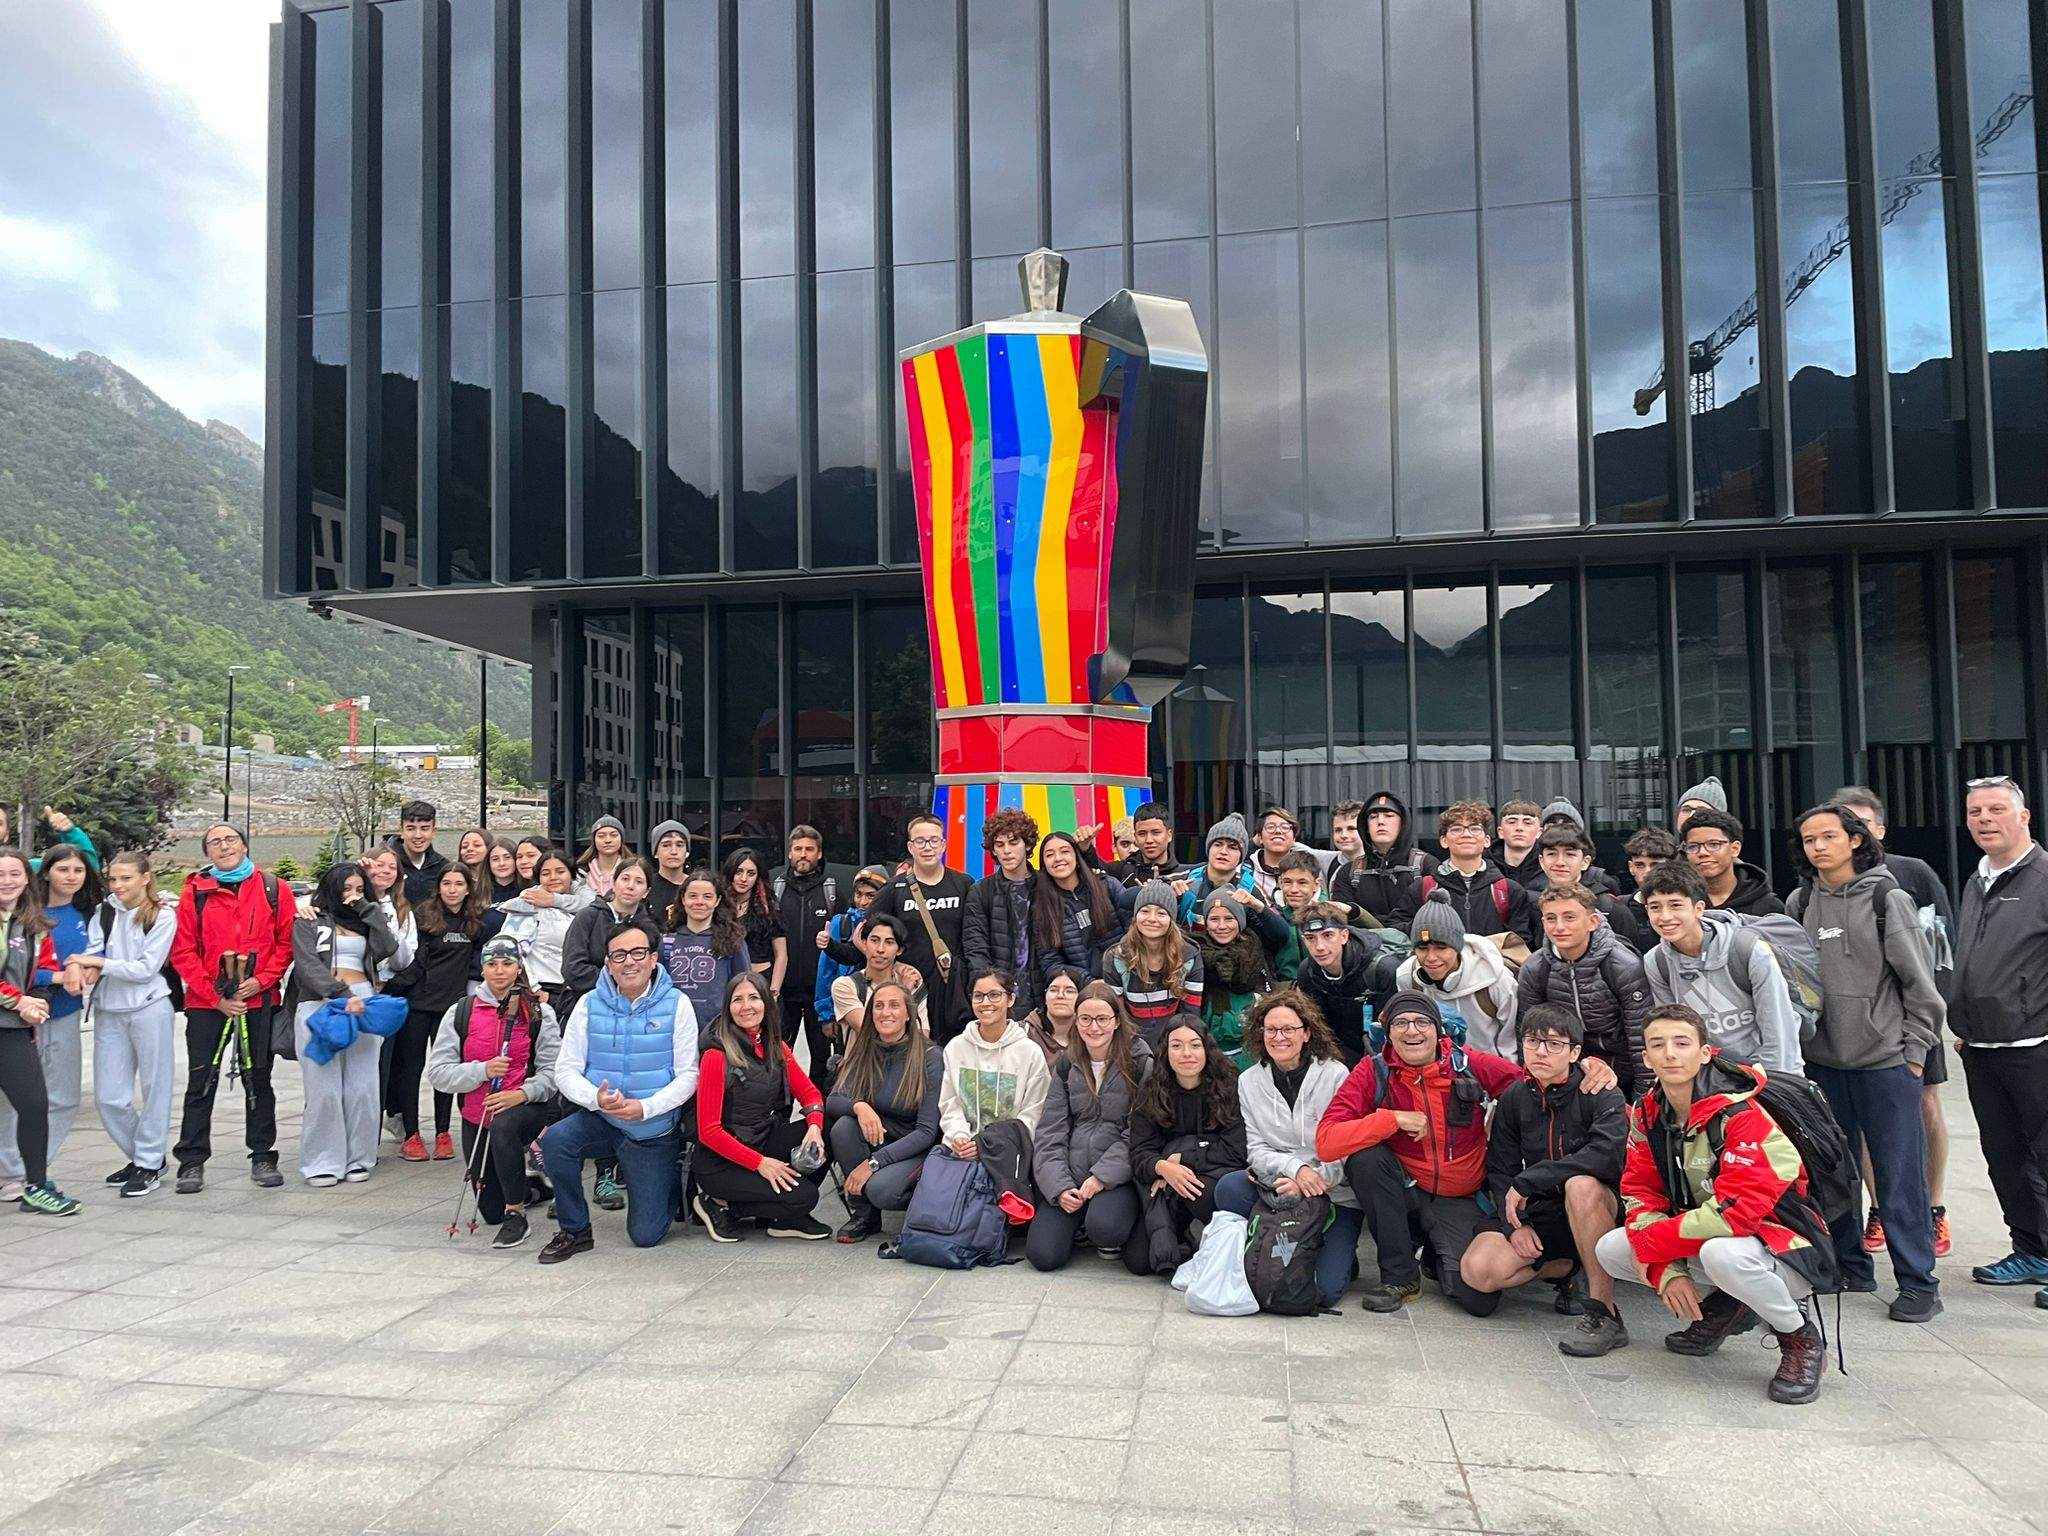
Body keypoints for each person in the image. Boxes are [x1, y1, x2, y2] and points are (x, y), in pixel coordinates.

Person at [1597, 1003, 1833, 1404]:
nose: (1670, 1053)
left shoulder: (1742, 1113)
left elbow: (1737, 1213)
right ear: (1646, 1057)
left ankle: (1800, 1337)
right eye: (1658, 1044)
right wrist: (1666, 1271)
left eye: (1682, 1043)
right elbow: (1639, 1191)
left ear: (1704, 1053)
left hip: (1787, 1249)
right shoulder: (1648, 1113)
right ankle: (1729, 1305)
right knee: (1611, 1249)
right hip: (1705, 1236)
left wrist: (1654, 1247)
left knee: (1723, 1254)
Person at [1784, 801, 1943, 1322]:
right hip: (1823, 1064)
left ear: (1854, 839)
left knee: (1899, 1178)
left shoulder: (1884, 895)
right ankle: (1850, 1267)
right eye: (1810, 839)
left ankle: (1919, 1282)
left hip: (1885, 1063)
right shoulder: (1800, 901)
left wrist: (1914, 1055)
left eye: (1828, 836)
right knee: (1834, 1173)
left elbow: (1922, 987)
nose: (1819, 847)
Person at [1314, 991, 1526, 1315]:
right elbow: (1327, 1142)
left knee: (1478, 1299)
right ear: (1388, 1033)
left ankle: (1434, 1257)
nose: (1411, 1031)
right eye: (1400, 1023)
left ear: (1438, 1030)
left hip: (1461, 1198)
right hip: (1406, 1194)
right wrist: (1391, 1120)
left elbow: (1536, 1086)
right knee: (1365, 1160)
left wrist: (1592, 1073)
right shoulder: (1374, 1071)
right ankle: (1400, 1277)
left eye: (1422, 1022)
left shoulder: (1469, 1065)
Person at [1460, 1004, 1629, 1353]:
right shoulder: (1515, 1097)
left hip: (1598, 1207)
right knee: (1479, 1272)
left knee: (1580, 1185)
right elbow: (1501, 1168)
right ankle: (1563, 1268)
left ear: (1575, 1052)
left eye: (1554, 1044)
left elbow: (1606, 1155)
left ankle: (1605, 1313)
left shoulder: (1600, 1091)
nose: (1541, 1051)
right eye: (1534, 1041)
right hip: (1540, 1209)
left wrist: (1533, 1178)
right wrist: (1515, 1226)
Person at [1832, 784, 1955, 1258]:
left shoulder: (1910, 874)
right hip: (1857, 1035)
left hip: (1912, 1022)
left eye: (1862, 824)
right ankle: (1881, 1210)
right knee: (1862, 1127)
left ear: (1877, 830)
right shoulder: (1820, 889)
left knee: (1926, 1110)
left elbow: (1944, 943)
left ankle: (1934, 1210)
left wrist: (1930, 1026)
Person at [540, 915, 700, 1261]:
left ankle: (668, 1181)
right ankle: (574, 1229)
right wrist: (593, 1098)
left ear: (653, 958)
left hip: (652, 1129)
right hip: (603, 1118)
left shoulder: (677, 1004)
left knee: (646, 1235)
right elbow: (565, 1070)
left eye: (638, 952)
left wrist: (646, 1108)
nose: (629, 961)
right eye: (619, 955)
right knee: (556, 1140)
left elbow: (689, 1075)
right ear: (608, 964)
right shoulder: (587, 1005)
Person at [1947, 776, 2048, 1293]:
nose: (1984, 819)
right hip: (1982, 1047)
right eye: (1974, 812)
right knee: (2004, 1156)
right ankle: (2030, 1251)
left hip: (2035, 1046)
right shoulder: (1978, 879)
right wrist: (1963, 1022)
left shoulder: (2043, 876)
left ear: (2024, 817)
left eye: (1995, 810)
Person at [1213, 989, 1365, 1309]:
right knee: (1229, 1187)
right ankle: (1261, 1246)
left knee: (1325, 1291)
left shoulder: (1335, 1075)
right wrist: (1294, 1170)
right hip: (1280, 1187)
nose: (1279, 1037)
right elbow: (1255, 1148)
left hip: (1332, 1192)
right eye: (1270, 1029)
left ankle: (1330, 1251)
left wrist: (1312, 1178)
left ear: (1307, 1032)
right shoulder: (1250, 1080)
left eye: (1289, 1029)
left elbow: (1346, 1146)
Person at [169, 823, 296, 1194]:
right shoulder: (195, 891)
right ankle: (191, 1161)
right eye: (215, 842)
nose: (224, 847)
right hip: (208, 1004)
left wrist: (264, 980)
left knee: (259, 1078)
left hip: (259, 1000)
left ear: (243, 844)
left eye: (230, 839)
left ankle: (262, 1153)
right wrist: (215, 997)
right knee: (201, 1080)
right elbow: (183, 951)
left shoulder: (273, 887)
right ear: (207, 852)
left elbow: (285, 943)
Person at [428, 936, 560, 1248]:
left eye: (507, 963)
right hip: (477, 1110)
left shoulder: (540, 1012)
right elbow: (437, 1074)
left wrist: (523, 1093)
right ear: (483, 969)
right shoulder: (460, 1011)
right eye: (491, 964)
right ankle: (530, 1188)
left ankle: (517, 1215)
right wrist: (481, 1070)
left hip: (524, 1106)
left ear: (519, 968)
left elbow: (553, 1073)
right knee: (490, 1211)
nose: (499, 971)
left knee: (505, 1126)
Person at [690, 972, 830, 1242]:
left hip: (760, 1138)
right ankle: (717, 1204)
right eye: (737, 1000)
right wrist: (761, 1164)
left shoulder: (775, 1046)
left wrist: (814, 1127)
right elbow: (708, 1131)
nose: (746, 1006)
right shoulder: (716, 1054)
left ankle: (783, 1211)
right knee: (806, 1196)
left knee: (830, 1125)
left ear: (767, 1003)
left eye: (753, 998)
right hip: (720, 1162)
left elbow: (811, 1093)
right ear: (728, 1009)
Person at [71, 851, 179, 1197]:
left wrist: (97, 963)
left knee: (155, 1088)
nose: (117, 886)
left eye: (126, 878)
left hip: (151, 1007)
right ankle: (145, 1157)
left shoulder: (162, 916)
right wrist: (88, 967)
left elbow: (146, 969)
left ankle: (147, 1163)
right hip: (109, 1010)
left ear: (145, 878)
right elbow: (94, 951)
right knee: (110, 1097)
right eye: (113, 879)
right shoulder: (104, 913)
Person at [1027, 981, 1153, 1270]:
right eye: (1085, 1019)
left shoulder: (1140, 1062)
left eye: (1102, 1019)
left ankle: (1113, 1221)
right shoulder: (1067, 1063)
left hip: (1117, 1174)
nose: (1093, 1027)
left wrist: (1100, 1179)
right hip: (1071, 1171)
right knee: (1043, 1256)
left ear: (1117, 1022)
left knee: (1106, 1228)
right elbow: (1050, 1130)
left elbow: (1139, 1133)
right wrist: (1059, 1187)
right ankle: (1078, 1221)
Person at [289, 863, 398, 1186]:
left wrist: (368, 908)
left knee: (363, 1087)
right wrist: (339, 993)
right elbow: (306, 965)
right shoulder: (310, 919)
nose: (352, 895)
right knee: (323, 1088)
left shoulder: (366, 920)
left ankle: (358, 1156)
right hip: (320, 1004)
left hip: (363, 1002)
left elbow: (388, 949)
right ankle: (322, 1160)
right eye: (346, 889)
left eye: (359, 889)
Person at [1639, 861, 1803, 1075]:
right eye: (1655, 907)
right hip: (1707, 1075)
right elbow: (1672, 1029)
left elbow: (1778, 1027)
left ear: (1698, 909)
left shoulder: (1746, 949)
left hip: (1760, 1071)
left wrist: (1776, 1086)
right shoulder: (1656, 961)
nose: (1665, 916)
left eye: (1676, 905)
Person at [557, 855, 656, 1211]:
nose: (631, 886)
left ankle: (607, 1174)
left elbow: (652, 973)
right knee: (581, 1093)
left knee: (622, 1092)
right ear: (614, 881)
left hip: (633, 1015)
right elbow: (573, 966)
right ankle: (564, 1184)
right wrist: (613, 982)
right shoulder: (588, 916)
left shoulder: (648, 926)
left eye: (639, 882)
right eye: (625, 879)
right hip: (589, 1011)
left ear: (647, 890)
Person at [386, 862, 500, 1161]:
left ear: (468, 888)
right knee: (411, 1071)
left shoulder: (475, 922)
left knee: (447, 1071)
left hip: (451, 1010)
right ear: (438, 887)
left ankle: (442, 1132)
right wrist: (389, 990)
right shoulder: (423, 916)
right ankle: (411, 1134)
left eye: (459, 884)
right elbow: (413, 962)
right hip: (417, 1006)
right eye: (447, 884)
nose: (452, 890)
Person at [0, 843, 98, 1189]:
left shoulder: (79, 914)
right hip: (15, 1020)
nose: (71, 876)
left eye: (78, 870)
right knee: (17, 1100)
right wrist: (56, 979)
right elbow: (31, 972)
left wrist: (87, 970)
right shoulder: (23, 914)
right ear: (43, 874)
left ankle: (34, 1170)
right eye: (63, 869)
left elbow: (64, 961)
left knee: (57, 1098)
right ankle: (11, 1173)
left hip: (57, 1014)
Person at [1123, 1017, 1247, 1276]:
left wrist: (1181, 1158)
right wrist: (1163, 1168)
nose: (1186, 1054)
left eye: (1194, 1045)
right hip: (1165, 1180)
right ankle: (1182, 1238)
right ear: (1165, 1052)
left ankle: (1218, 1239)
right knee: (1139, 1261)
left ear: (1206, 1049)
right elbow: (1139, 1151)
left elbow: (1236, 1150)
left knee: (1197, 1192)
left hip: (1213, 1173)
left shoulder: (1229, 1085)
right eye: (1176, 1046)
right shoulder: (1153, 1089)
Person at [827, 979, 942, 1243]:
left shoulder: (931, 1056)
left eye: (893, 1006)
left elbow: (926, 1132)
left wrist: (874, 1164)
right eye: (878, 1006)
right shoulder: (865, 1050)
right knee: (844, 1125)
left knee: (881, 1190)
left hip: (917, 1148)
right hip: (880, 1140)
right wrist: (859, 1106)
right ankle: (864, 1216)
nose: (885, 1012)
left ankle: (929, 1203)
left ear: (907, 1014)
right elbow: (833, 1100)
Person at [1517, 881, 1652, 1099]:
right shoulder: (1535, 969)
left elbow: (1640, 1036)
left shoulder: (1623, 966)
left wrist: (1643, 1099)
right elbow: (1527, 1033)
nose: (1559, 926)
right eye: (1551, 918)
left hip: (1622, 1067)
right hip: (1567, 1065)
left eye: (1569, 917)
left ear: (1592, 922)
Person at [865, 814, 974, 1042]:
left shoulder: (964, 884)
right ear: (910, 847)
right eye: (920, 841)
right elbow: (865, 936)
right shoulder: (895, 889)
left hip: (954, 990)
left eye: (934, 840)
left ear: (943, 844)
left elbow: (975, 937)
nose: (927, 847)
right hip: (912, 990)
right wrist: (894, 964)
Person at [937, 965, 1052, 1155]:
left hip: (1009, 1153)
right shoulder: (956, 1048)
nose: (985, 1002)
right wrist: (959, 1137)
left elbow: (1033, 1113)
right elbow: (950, 1104)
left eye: (994, 995)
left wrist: (988, 1145)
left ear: (1011, 999)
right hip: (962, 1149)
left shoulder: (1030, 1052)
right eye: (978, 996)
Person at [1397, 899, 1520, 1060]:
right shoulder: (1407, 977)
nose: (1431, 957)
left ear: (1458, 946)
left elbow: (1511, 1043)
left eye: (1441, 948)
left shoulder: (1497, 980)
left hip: (1489, 1073)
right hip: (1434, 1071)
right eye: (1422, 948)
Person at [771, 825, 844, 1086]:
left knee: (823, 1061)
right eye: (798, 849)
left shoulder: (832, 890)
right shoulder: (775, 889)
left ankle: (821, 1118)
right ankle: (779, 1115)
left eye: (810, 849)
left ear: (819, 853)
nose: (804, 854)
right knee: (778, 1058)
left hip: (820, 994)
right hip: (785, 993)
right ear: (789, 853)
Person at [1422, 801, 1540, 948]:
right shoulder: (1424, 887)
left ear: (1487, 840)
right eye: (1457, 829)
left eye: (1474, 829)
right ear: (1444, 841)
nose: (1466, 835)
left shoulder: (1509, 890)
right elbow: (1401, 928)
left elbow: (1521, 942)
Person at [1295, 903, 1395, 1067]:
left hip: (1383, 1051)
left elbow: (1392, 1030)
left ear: (1344, 936)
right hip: (1341, 1051)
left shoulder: (1382, 969)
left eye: (1327, 935)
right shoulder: (1307, 972)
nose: (1319, 947)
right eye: (1311, 938)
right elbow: (1319, 1026)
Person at [1105, 881, 1203, 1047]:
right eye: (1145, 911)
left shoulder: (1189, 956)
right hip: (1131, 1046)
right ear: (1135, 917)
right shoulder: (1116, 958)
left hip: (1173, 1045)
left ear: (1171, 919)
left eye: (1161, 913)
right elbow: (1116, 1016)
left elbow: (1190, 1017)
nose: (1152, 919)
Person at [1196, 890, 1287, 1068]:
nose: (1221, 926)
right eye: (1214, 919)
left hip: (1252, 1048)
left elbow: (1282, 933)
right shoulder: (1196, 952)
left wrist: (1258, 906)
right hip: (1211, 1049)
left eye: (1229, 919)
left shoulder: (1256, 948)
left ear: (1240, 921)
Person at [963, 809, 1042, 1012]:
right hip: (1000, 998)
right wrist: (993, 992)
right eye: (999, 844)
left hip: (1044, 995)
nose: (1006, 850)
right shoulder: (981, 891)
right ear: (993, 850)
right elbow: (975, 947)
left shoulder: (1047, 885)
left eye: (1014, 842)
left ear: (1028, 844)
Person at [1032, 830, 1129, 993]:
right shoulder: (1042, 907)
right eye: (1049, 855)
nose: (1058, 858)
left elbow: (1133, 926)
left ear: (1077, 859)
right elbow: (1050, 962)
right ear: (1044, 865)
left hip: (1127, 980)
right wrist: (1088, 982)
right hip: (1084, 992)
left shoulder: (1107, 885)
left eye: (1065, 852)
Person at [493, 850, 589, 1009]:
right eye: (546, 873)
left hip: (577, 991)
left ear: (571, 876)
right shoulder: (527, 905)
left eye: (560, 871)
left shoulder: (581, 907)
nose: (553, 877)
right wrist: (535, 990)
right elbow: (508, 948)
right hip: (545, 991)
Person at [1329, 789, 1435, 931]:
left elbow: (1435, 919)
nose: (1380, 821)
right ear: (1365, 826)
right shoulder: (1349, 872)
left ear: (1402, 823)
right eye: (1373, 817)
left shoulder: (1426, 865)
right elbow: (1342, 926)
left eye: (1389, 815)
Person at [659, 870, 754, 1025]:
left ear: (717, 901)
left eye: (707, 896)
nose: (699, 902)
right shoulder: (667, 940)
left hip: (718, 1029)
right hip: (675, 1026)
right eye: (693, 896)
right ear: (683, 899)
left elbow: (744, 986)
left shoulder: (732, 940)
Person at [1526, 824, 1642, 948]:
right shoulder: (1532, 906)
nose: (1560, 862)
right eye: (1551, 854)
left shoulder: (1610, 908)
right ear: (1541, 861)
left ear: (1585, 862)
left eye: (1569, 854)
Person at [814, 863, 889, 1045]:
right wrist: (827, 1014)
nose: (862, 902)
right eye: (859, 894)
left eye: (870, 896)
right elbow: (826, 971)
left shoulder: (891, 925)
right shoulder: (842, 923)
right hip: (845, 1007)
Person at [829, 912, 926, 1032]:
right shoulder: (845, 986)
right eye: (874, 940)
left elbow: (922, 1034)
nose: (880, 949)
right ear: (864, 943)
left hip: (906, 1051)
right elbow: (869, 1030)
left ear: (899, 950)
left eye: (889, 942)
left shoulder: (912, 981)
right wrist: (904, 993)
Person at [1681, 808, 1786, 917]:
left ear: (1735, 849)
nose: (1702, 853)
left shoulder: (1768, 906)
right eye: (1693, 847)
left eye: (1713, 844)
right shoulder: (1678, 902)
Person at [1175, 814, 1263, 937]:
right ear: (1208, 848)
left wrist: (1260, 909)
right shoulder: (1186, 880)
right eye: (1218, 844)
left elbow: (1279, 935)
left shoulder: (1249, 889)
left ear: (1241, 856)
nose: (1223, 852)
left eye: (1232, 847)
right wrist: (1169, 894)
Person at [722, 846, 787, 996]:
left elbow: (781, 954)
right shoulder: (719, 906)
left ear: (758, 877)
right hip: (727, 982)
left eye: (751, 873)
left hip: (762, 980)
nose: (744, 878)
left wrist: (774, 992)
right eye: (739, 872)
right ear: (731, 872)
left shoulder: (768, 908)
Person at [1249, 806, 1335, 898]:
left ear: (1294, 838)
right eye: (1270, 827)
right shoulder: (1244, 870)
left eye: (1285, 827)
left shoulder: (1310, 866)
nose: (1278, 831)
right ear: (1259, 837)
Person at [1620, 827, 1681, 956]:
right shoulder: (1618, 908)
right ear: (1631, 867)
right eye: (1640, 865)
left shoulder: (1687, 907)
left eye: (1655, 865)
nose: (1647, 872)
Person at [1020, 964, 1085, 1067]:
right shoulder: (1022, 1032)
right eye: (1054, 990)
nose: (1060, 996)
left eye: (1069, 991)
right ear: (1045, 998)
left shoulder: (1089, 1034)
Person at [388, 800, 448, 905]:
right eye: (411, 829)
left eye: (424, 829)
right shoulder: (386, 865)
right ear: (401, 831)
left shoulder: (443, 867)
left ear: (434, 831)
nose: (418, 835)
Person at [1117, 801, 1184, 888]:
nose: (1149, 840)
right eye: (1142, 834)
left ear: (1169, 835)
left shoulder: (1186, 875)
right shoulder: (1122, 872)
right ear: (1135, 837)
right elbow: (1096, 864)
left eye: (1156, 833)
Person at [574, 814, 633, 899]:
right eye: (601, 836)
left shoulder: (633, 868)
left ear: (621, 839)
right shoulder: (580, 871)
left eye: (613, 835)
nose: (608, 840)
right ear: (594, 840)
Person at [646, 820, 693, 922]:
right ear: (655, 852)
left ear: (687, 852)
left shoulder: (698, 885)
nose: (674, 851)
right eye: (666, 845)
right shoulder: (646, 886)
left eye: (679, 845)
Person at [1493, 799, 1546, 889]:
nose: (1519, 828)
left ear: (1539, 832)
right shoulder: (1484, 866)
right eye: (1512, 822)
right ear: (1500, 832)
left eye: (1527, 823)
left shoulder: (1550, 867)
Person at [484, 838, 523, 905]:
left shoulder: (528, 891)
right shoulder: (478, 892)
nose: (501, 863)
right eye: (495, 859)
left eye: (507, 857)